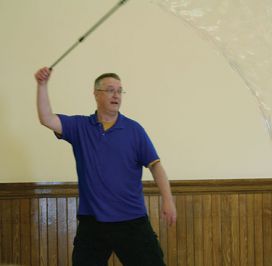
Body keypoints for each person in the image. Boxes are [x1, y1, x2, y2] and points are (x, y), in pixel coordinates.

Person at [35, 67, 176, 266]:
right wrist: (42, 85)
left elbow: (156, 166)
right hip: (93, 222)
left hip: (131, 220)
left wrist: (168, 200)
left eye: (119, 91)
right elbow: (46, 118)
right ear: (96, 94)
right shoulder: (80, 127)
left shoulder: (134, 130)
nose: (116, 95)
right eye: (110, 90)